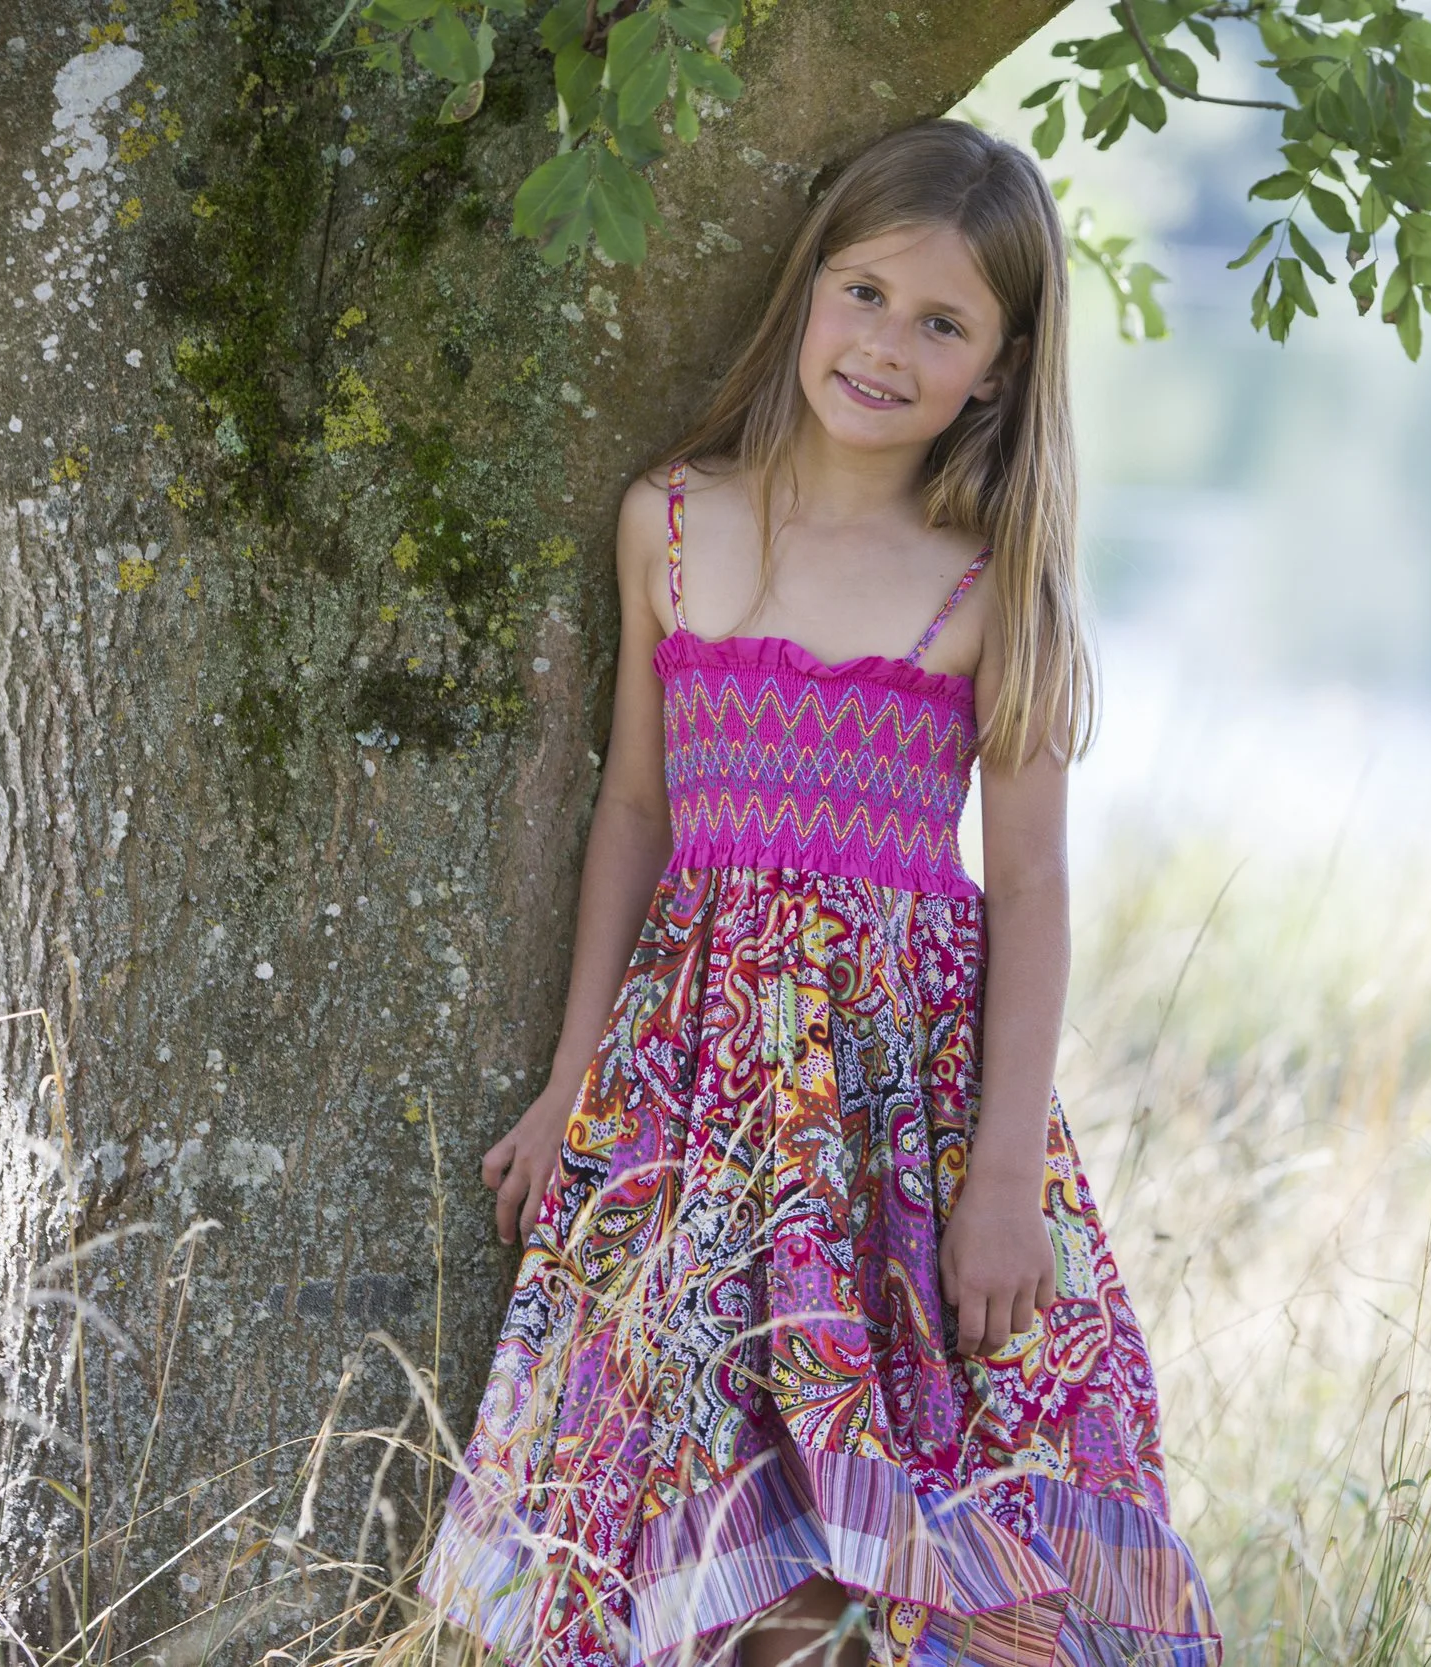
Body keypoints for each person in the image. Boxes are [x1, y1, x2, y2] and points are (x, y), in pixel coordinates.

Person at [415, 119, 1222, 1667]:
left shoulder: (995, 580)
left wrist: (998, 1178)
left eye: (942, 324)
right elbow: (636, 809)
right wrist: (579, 1069)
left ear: (996, 366)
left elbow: (1033, 884)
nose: (886, 346)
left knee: (926, 1489)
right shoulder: (671, 522)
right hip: (696, 1085)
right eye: (863, 293)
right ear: (807, 289)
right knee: (696, 1475)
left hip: (896, 1105)